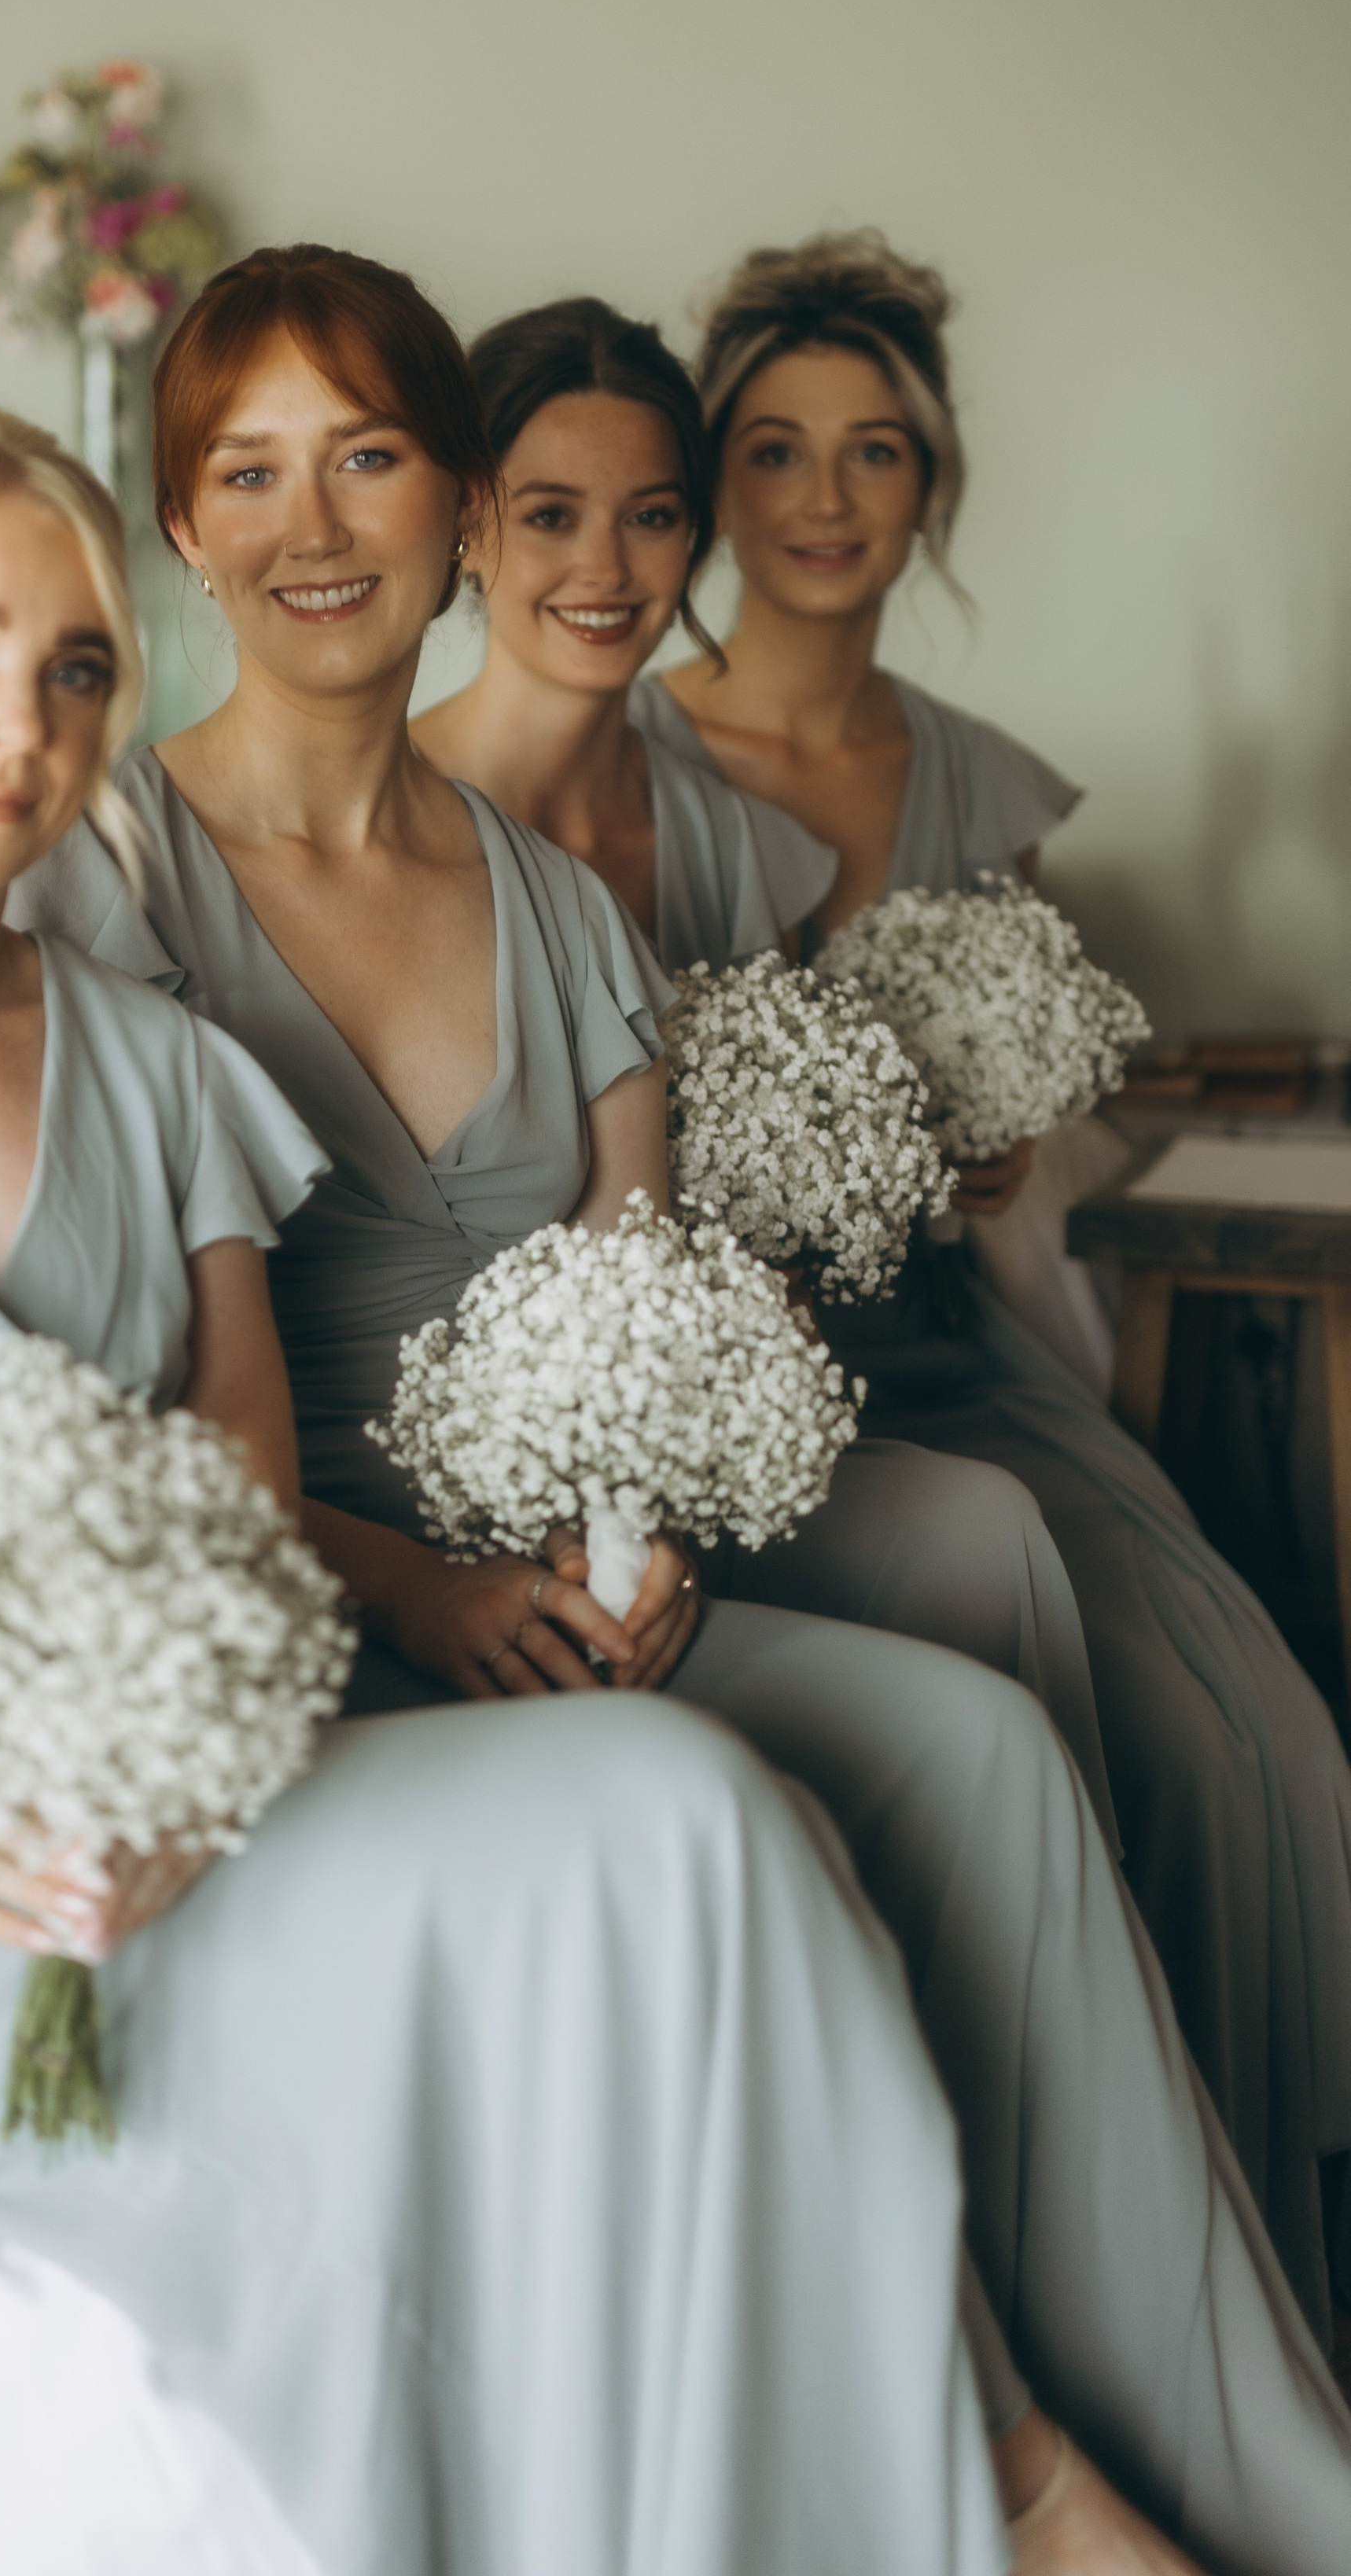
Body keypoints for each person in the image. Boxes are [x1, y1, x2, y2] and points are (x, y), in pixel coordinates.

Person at [0, 403, 1027, 2576]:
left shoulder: (162, 1069)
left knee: (694, 1827)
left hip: (208, 1800)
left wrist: (193, 1764)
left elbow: (244, 1497)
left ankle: (918, 2499)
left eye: (80, 668)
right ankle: (1004, 2509)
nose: (23, 720)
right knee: (681, 1813)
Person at [12, 245, 1351, 2574]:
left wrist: (634, 1556)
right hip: (318, 1582)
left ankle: (1235, 2459)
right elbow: (104, 1403)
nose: (315, 520)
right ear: (186, 530)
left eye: (369, 457)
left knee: (998, 1756)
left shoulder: (553, 898)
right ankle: (983, 2478)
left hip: (579, 1573)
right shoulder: (108, 880)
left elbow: (657, 1298)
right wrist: (423, 1583)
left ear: (447, 499)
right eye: (249, 472)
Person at [657, 228, 1351, 2337]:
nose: (827, 498)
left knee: (1262, 1743)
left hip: (954, 1348)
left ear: (933, 486)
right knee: (1095, 1730)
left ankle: (1267, 2241)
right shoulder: (631, 769)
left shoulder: (978, 781)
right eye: (775, 452)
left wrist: (989, 1154)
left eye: (877, 451)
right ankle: (1090, 2239)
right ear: (714, 486)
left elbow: (1017, 1125)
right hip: (753, 1376)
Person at [414, 293, 1114, 1820]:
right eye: (548, 516)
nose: (603, 570)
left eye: (650, 517)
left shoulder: (738, 844)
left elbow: (774, 1231)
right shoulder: (390, 819)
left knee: (989, 1525)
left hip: (713, 1433)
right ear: (468, 529)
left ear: (696, 537)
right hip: (446, 1462)